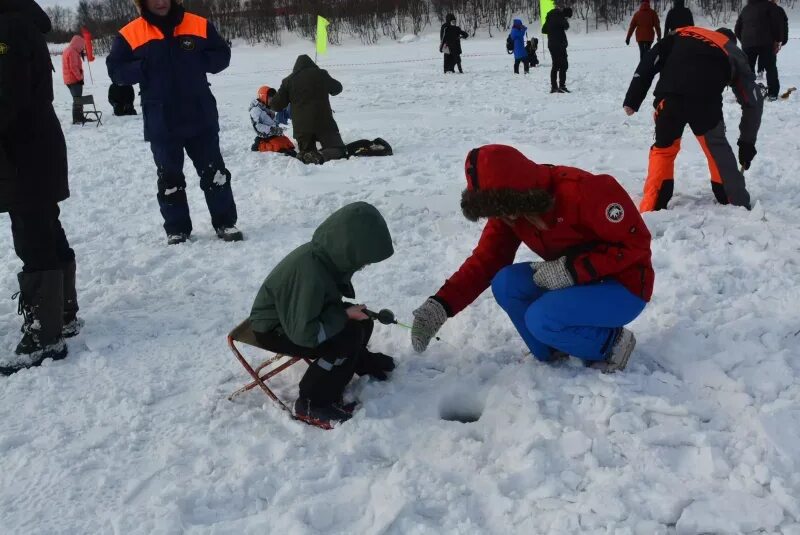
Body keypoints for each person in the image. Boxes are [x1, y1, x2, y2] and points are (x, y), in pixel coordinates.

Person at [410, 145, 653, 372]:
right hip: (579, 282)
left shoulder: (585, 191)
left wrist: (572, 270)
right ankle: (554, 349)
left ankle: (613, 343)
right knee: (506, 282)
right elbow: (486, 261)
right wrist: (440, 305)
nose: (508, 217)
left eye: (509, 208)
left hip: (625, 286)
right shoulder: (509, 213)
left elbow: (636, 245)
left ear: (522, 192)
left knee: (541, 318)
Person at [107, 0, 242, 245]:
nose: (160, 2)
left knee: (215, 173)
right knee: (169, 178)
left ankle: (225, 222)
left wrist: (198, 62)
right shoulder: (130, 33)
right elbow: (115, 70)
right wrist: (142, 67)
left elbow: (222, 55)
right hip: (161, 119)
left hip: (199, 115)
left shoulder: (198, 24)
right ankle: (177, 228)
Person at [249, 202, 396, 425]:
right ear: (349, 247)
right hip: (275, 329)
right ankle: (312, 402)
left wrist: (347, 313)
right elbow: (304, 334)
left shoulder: (326, 256)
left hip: (297, 317)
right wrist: (344, 315)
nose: (365, 264)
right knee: (344, 341)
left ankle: (358, 360)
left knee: (363, 323)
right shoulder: (310, 274)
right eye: (364, 258)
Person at [1, 0, 81, 375]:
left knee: (33, 235)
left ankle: (44, 334)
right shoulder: (19, 22)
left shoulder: (8, 28)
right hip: (34, 147)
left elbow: (7, 97)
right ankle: (62, 315)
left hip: (24, 150)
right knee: (45, 227)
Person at [623, 27, 763, 212]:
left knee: (663, 149)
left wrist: (633, 99)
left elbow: (650, 60)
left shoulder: (681, 33)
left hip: (670, 98)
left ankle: (652, 204)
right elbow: (753, 101)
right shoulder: (732, 50)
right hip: (706, 102)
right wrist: (747, 143)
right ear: (730, 41)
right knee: (716, 147)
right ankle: (735, 201)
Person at [270, 54, 346, 165]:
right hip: (325, 124)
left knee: (307, 151)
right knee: (339, 150)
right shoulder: (321, 74)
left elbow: (276, 106)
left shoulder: (288, 81)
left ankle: (307, 154)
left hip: (302, 129)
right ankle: (322, 155)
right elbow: (338, 88)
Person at [735, 0, 783, 100]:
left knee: (747, 69)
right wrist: (777, 40)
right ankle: (773, 94)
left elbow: (737, 29)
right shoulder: (770, 6)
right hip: (767, 43)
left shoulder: (746, 9)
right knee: (770, 67)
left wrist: (744, 40)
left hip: (748, 43)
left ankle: (745, 93)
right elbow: (777, 25)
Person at [249, 85, 295, 156]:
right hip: (265, 135)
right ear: (263, 97)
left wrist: (278, 129)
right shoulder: (255, 110)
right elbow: (257, 126)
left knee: (289, 144)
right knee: (279, 146)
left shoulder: (268, 107)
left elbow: (273, 121)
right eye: (270, 98)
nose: (272, 100)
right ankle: (258, 145)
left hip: (273, 134)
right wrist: (272, 130)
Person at [62, 34, 91, 125]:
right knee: (78, 99)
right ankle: (78, 118)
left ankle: (78, 117)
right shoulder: (72, 52)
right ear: (78, 43)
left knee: (77, 99)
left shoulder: (68, 50)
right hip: (74, 80)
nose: (82, 48)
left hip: (69, 79)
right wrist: (79, 78)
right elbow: (74, 67)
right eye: (82, 46)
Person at [542, 7, 572, 93]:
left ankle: (554, 87)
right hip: (559, 45)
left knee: (555, 66)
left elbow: (544, 30)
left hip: (551, 45)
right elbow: (566, 26)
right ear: (565, 15)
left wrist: (552, 29)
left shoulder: (550, 17)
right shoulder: (560, 17)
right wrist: (563, 21)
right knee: (564, 65)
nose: (567, 19)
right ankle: (562, 86)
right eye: (567, 17)